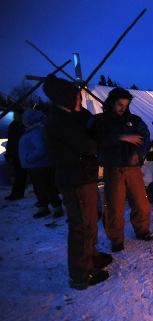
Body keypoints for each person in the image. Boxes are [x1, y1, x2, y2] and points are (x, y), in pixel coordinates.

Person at [43, 75, 111, 290]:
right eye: (77, 98)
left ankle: (91, 257)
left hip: (82, 177)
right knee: (81, 226)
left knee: (90, 221)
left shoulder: (69, 116)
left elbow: (86, 121)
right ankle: (82, 274)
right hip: (75, 180)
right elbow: (88, 146)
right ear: (66, 99)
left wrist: (88, 117)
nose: (80, 101)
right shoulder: (60, 122)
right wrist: (98, 138)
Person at [91, 87, 153, 253]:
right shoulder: (101, 121)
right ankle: (116, 239)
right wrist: (121, 137)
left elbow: (145, 138)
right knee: (114, 206)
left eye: (125, 105)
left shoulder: (134, 120)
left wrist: (138, 154)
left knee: (141, 203)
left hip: (132, 167)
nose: (122, 108)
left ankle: (142, 229)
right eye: (120, 104)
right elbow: (96, 139)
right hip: (113, 168)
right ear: (112, 102)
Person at [18, 108, 63, 218]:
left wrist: (29, 158)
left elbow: (41, 148)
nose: (22, 121)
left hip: (40, 165)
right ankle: (44, 207)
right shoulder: (32, 130)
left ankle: (56, 207)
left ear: (30, 119)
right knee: (40, 188)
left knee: (47, 187)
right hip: (36, 166)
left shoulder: (36, 131)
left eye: (24, 119)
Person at [4, 110, 27, 200]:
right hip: (16, 153)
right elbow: (11, 141)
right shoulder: (13, 125)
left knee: (24, 174)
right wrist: (9, 153)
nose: (14, 117)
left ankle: (43, 196)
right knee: (18, 174)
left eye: (16, 114)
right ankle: (17, 193)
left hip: (24, 153)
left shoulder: (25, 125)